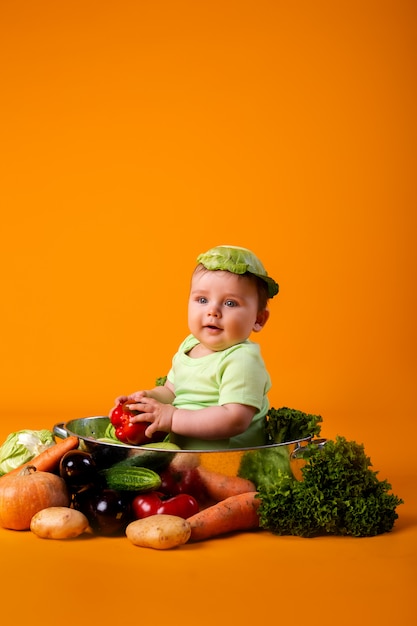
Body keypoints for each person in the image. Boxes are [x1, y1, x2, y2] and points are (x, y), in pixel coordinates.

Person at [110, 245, 279, 449]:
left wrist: (173, 419)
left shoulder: (241, 360)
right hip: (187, 458)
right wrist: (147, 400)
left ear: (258, 319)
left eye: (230, 303)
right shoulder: (189, 345)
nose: (213, 311)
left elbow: (234, 418)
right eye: (202, 299)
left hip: (228, 462)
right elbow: (171, 391)